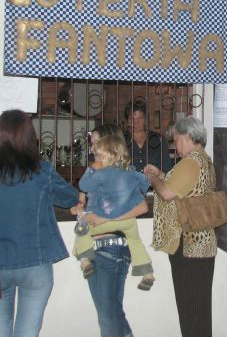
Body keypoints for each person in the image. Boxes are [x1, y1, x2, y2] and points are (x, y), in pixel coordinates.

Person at [0, 109, 79, 337]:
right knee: (28, 332)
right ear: (29, 136)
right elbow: (70, 198)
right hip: (36, 264)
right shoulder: (42, 171)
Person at [145, 116, 217, 337]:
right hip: (201, 245)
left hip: (189, 247)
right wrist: (161, 174)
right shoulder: (203, 160)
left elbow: (167, 193)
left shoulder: (190, 162)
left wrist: (152, 179)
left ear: (188, 136)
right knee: (198, 310)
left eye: (176, 139)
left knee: (190, 310)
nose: (175, 145)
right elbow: (181, 189)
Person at [73, 134, 155, 291]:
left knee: (82, 229)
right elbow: (144, 183)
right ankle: (147, 272)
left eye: (99, 156)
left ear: (112, 155)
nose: (96, 160)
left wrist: (91, 169)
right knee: (135, 241)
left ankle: (85, 260)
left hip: (103, 221)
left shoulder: (100, 174)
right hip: (128, 222)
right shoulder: (130, 172)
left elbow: (83, 185)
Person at [125, 100, 172, 174]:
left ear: (145, 119)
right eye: (132, 118)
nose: (136, 122)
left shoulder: (158, 139)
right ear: (128, 120)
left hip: (154, 181)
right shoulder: (121, 140)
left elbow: (167, 170)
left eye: (140, 118)